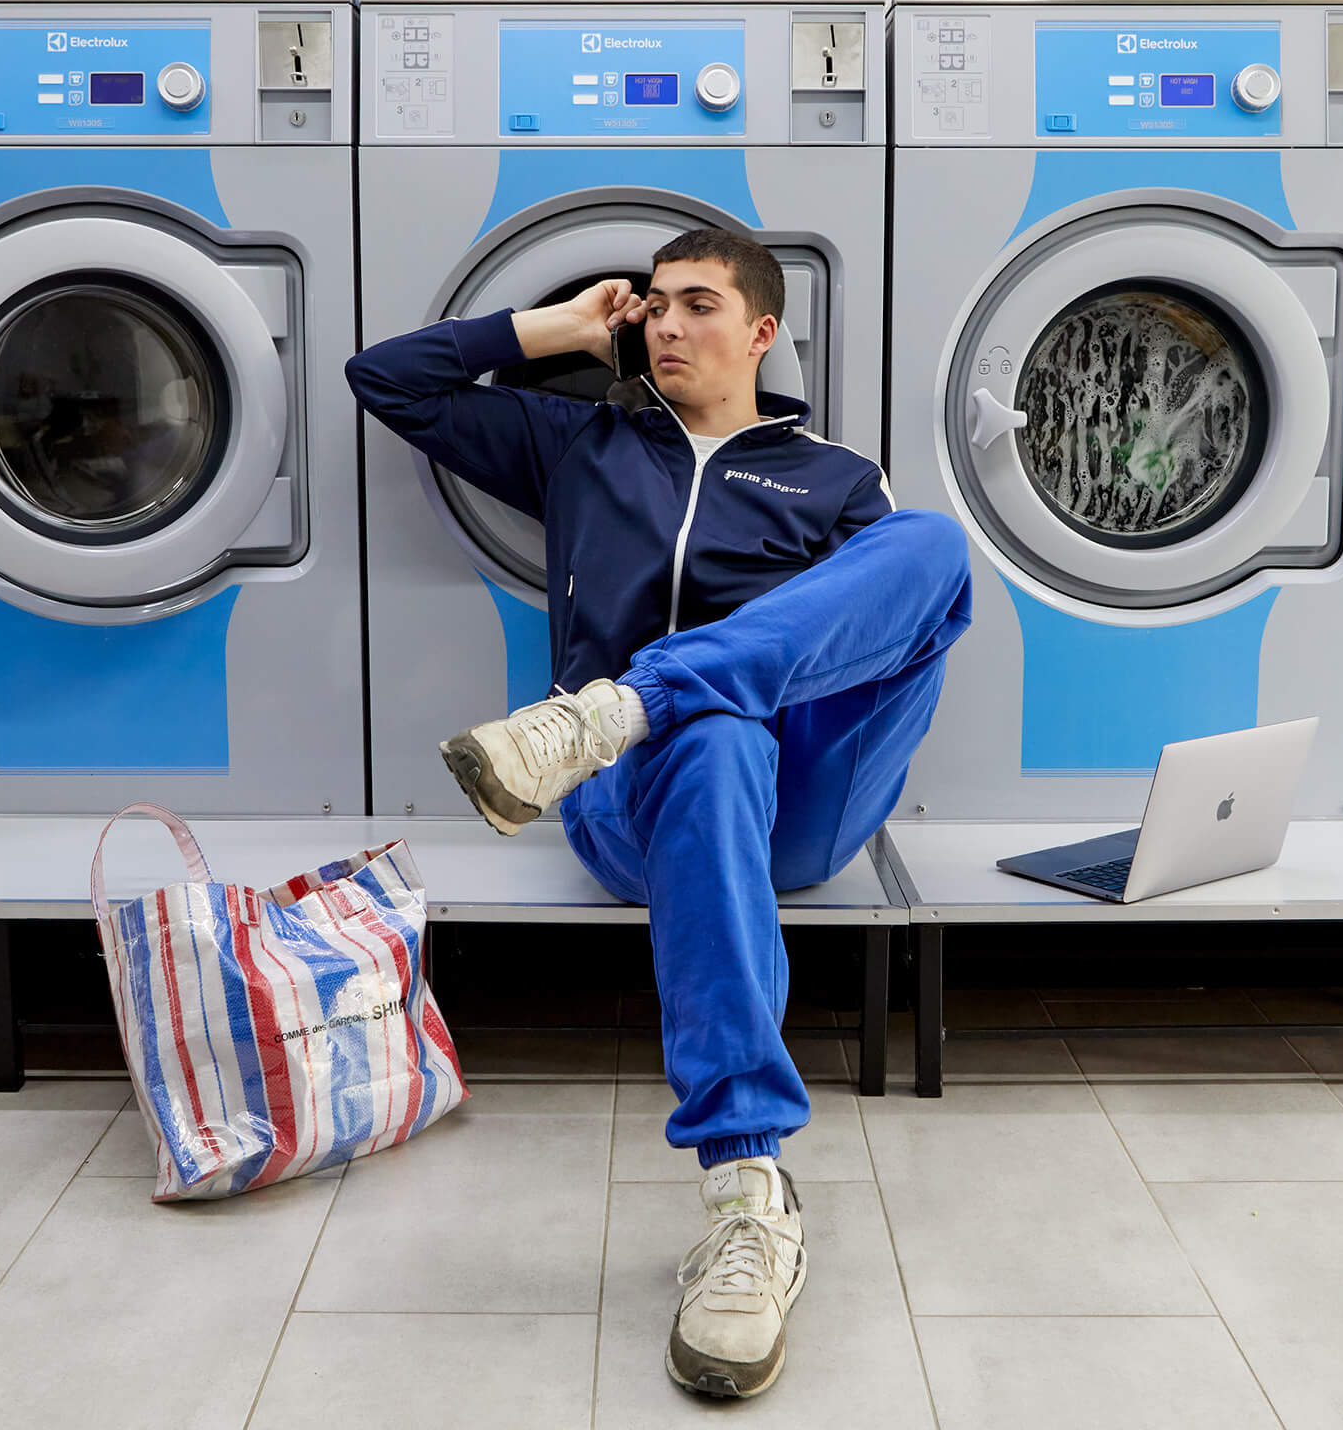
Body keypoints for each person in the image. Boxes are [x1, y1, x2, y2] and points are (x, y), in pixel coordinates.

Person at [347, 226, 971, 1400]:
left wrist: (646, 688)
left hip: (808, 790)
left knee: (931, 548)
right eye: (654, 310)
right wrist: (561, 329)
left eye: (698, 305)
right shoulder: (583, 443)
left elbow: (876, 626)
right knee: (716, 738)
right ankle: (747, 1195)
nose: (667, 328)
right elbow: (386, 378)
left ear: (764, 332)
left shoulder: (836, 478)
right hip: (640, 804)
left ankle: (622, 703)